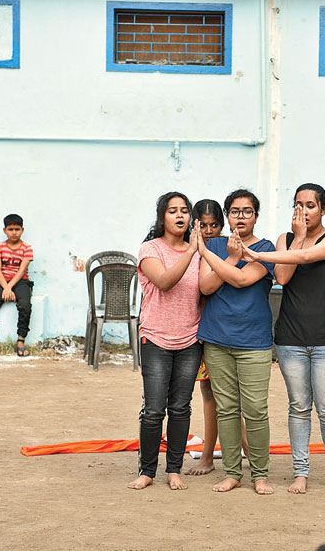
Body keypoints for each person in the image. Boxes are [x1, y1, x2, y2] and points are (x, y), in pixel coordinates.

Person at [240, 183, 325, 494]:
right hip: (291, 336)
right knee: (298, 405)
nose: (303, 211)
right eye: (298, 205)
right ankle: (300, 471)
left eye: (311, 206)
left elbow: (310, 256)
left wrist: (257, 256)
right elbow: (284, 277)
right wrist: (296, 237)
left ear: (324, 209)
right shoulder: (285, 240)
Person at [196, 189, 276, 494]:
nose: (240, 217)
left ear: (256, 215)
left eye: (247, 211)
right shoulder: (215, 243)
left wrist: (214, 260)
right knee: (226, 409)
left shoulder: (265, 249)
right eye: (234, 211)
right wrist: (228, 256)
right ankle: (231, 472)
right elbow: (205, 286)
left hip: (253, 341)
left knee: (255, 409)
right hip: (217, 338)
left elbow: (243, 279)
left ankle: (259, 474)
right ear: (226, 216)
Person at [127, 192, 203, 491]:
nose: (180, 216)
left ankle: (174, 470)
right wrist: (191, 252)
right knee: (155, 409)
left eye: (185, 210)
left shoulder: (199, 251)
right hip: (156, 338)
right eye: (173, 211)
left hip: (190, 340)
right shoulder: (150, 249)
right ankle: (147, 471)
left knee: (181, 408)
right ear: (162, 217)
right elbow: (164, 281)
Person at [185, 198, 249, 476]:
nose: (209, 230)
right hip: (195, 330)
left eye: (214, 225)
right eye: (203, 225)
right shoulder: (189, 249)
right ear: (194, 225)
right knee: (210, 394)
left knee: (227, 397)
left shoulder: (225, 247)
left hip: (221, 330)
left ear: (222, 225)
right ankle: (215, 455)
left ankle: (228, 454)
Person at [0, 214, 34, 358]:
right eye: (10, 229)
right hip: (1, 282)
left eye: (17, 229)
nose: (14, 232)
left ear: (22, 230)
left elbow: (21, 271)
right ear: (4, 230)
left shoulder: (27, 248)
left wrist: (9, 288)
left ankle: (20, 341)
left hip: (20, 282)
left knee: (25, 306)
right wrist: (5, 287)